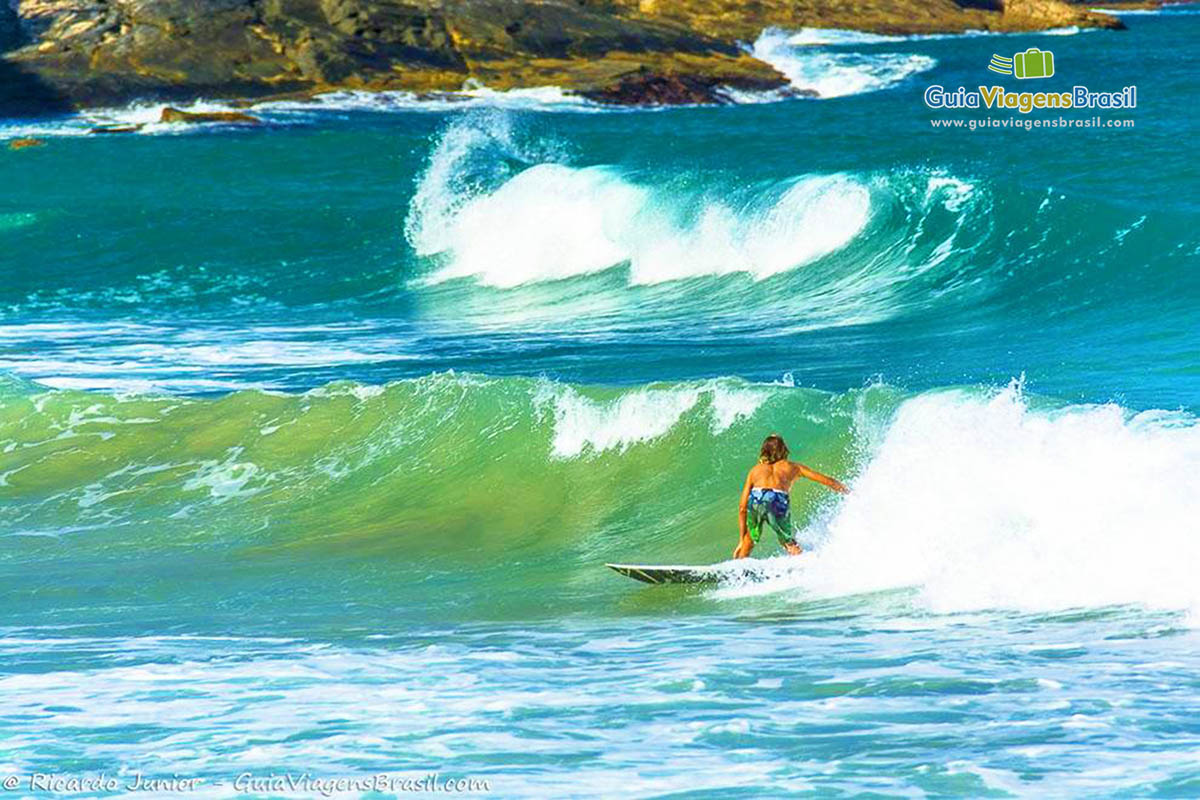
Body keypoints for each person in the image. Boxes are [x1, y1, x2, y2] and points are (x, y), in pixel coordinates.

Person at [734, 433, 848, 559]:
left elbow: (742, 508)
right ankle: (804, 563)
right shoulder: (794, 467)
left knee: (749, 539)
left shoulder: (755, 470)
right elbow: (828, 481)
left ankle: (737, 569)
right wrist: (849, 492)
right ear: (784, 450)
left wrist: (741, 540)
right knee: (787, 541)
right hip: (777, 500)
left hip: (757, 497)